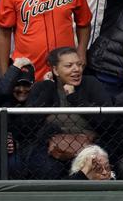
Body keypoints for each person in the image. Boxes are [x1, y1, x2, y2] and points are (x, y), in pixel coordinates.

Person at [21, 45, 111, 177]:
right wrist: (47, 88)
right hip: (49, 148)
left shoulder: (92, 84)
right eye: (69, 66)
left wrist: (74, 98)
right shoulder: (43, 87)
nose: (76, 69)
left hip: (89, 146)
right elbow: (28, 124)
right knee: (47, 169)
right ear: (55, 70)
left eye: (79, 65)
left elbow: (108, 122)